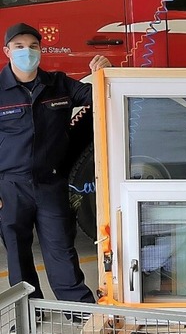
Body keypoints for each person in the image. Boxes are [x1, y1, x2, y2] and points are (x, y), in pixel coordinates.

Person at [0, 23, 111, 315]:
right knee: (18, 254)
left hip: (50, 184)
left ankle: (81, 312)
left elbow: (98, 98)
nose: (27, 52)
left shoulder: (58, 84)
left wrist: (104, 74)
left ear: (41, 50)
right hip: (10, 186)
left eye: (33, 46)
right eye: (20, 46)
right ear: (7, 51)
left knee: (61, 249)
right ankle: (29, 314)